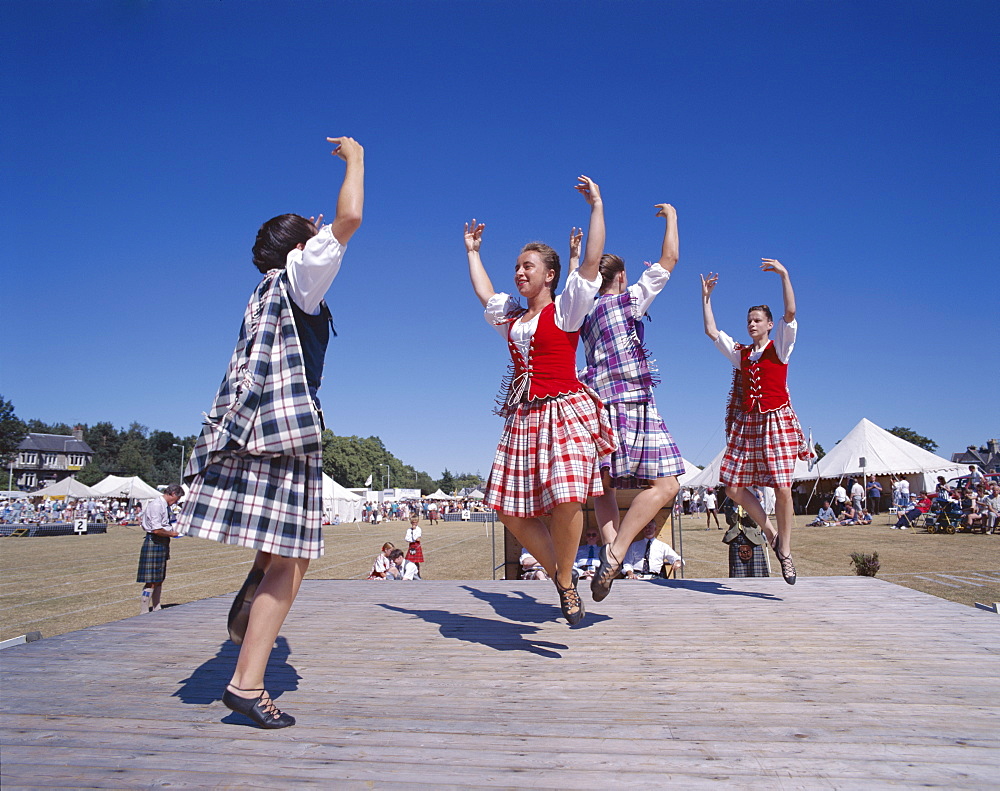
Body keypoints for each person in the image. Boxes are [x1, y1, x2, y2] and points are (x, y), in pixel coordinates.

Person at [176, 136, 364, 729]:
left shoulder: (262, 292)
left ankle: (258, 575)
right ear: (298, 247)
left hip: (253, 429)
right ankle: (247, 685)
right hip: (286, 436)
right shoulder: (300, 278)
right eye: (309, 229)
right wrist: (356, 158)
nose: (320, 227)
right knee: (295, 562)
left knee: (288, 557)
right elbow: (350, 218)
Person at [465, 175, 613, 625]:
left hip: (565, 410)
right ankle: (564, 580)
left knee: (568, 499)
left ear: (550, 274)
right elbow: (486, 295)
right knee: (509, 510)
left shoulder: (566, 309)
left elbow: (589, 264)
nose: (519, 272)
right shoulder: (512, 319)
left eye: (528, 266)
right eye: (516, 266)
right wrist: (473, 252)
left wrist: (597, 207)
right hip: (523, 417)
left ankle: (565, 582)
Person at [573, 202, 684, 603]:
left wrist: (575, 257)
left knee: (602, 486)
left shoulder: (582, 316)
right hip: (633, 400)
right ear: (621, 276)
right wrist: (671, 216)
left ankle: (608, 551)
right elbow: (669, 258)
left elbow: (576, 280)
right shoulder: (630, 299)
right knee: (667, 484)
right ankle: (618, 553)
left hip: (598, 406)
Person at [701, 259, 811, 584]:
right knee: (733, 487)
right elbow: (711, 331)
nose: (751, 324)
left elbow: (790, 312)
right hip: (749, 424)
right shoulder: (742, 354)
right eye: (749, 320)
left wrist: (785, 275)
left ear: (768, 324)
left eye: (757, 320)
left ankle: (786, 552)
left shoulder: (781, 347)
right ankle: (771, 532)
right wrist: (706, 298)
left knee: (782, 488)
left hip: (775, 419)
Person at [136, 484, 184, 613]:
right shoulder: (157, 505)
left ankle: (157, 607)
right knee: (151, 579)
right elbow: (157, 530)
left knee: (159, 578)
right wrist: (173, 534)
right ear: (173, 493)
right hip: (154, 541)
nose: (177, 501)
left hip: (162, 541)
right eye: (177, 498)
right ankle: (144, 610)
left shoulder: (165, 506)